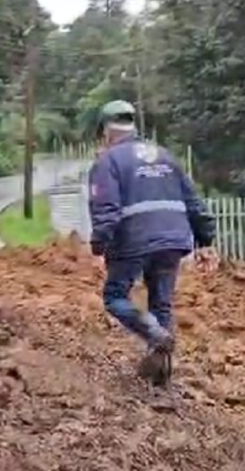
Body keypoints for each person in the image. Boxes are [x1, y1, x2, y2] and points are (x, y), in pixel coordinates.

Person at [88, 100, 217, 386]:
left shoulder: (107, 161)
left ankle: (155, 334)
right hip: (174, 240)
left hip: (133, 240)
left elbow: (106, 209)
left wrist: (98, 248)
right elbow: (194, 202)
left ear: (105, 132)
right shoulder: (166, 156)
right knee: (162, 303)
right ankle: (161, 376)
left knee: (115, 297)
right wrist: (205, 241)